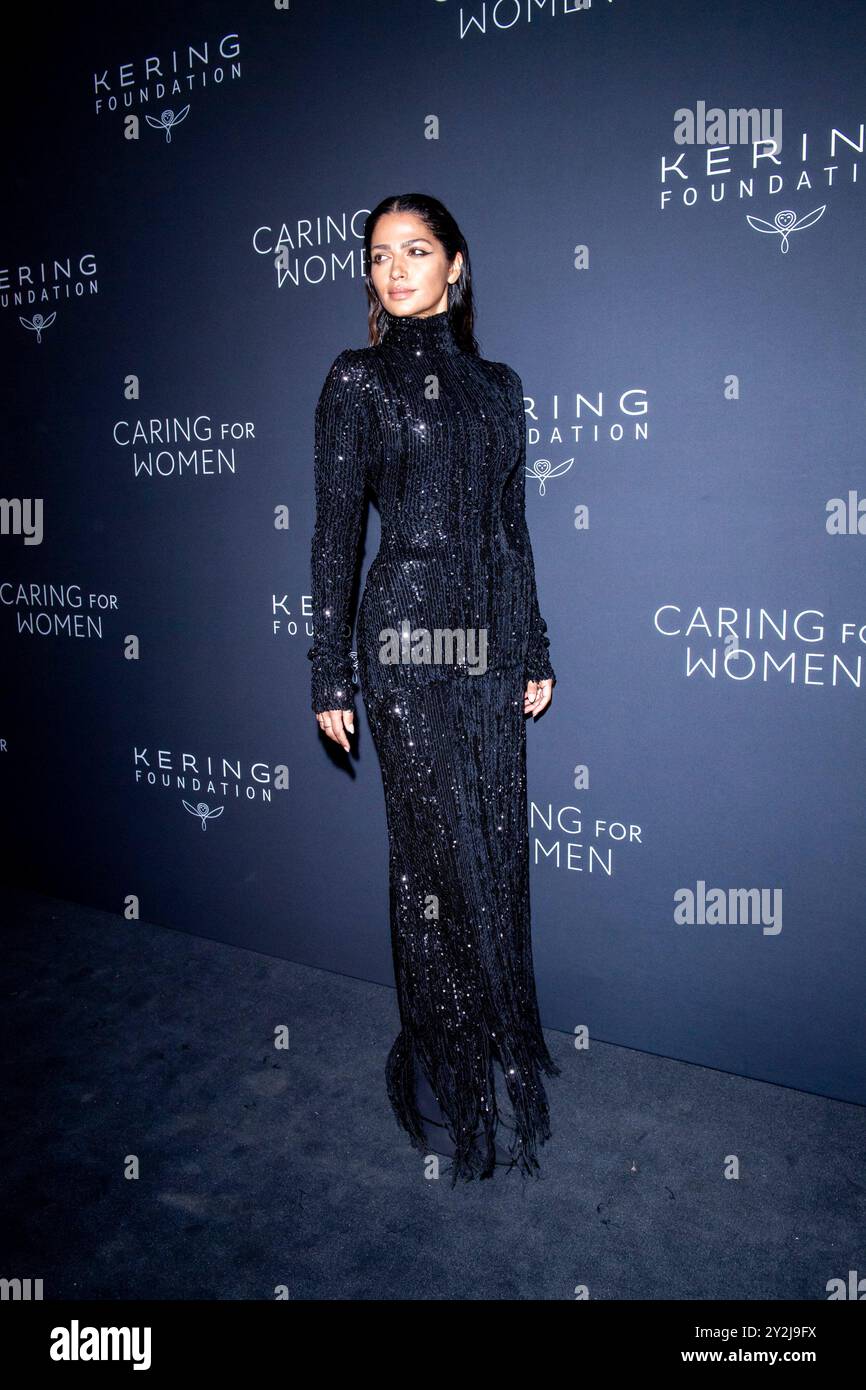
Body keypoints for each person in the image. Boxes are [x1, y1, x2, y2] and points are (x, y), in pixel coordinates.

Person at [307, 192, 560, 1184]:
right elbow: (336, 533)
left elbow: (510, 527)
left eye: (415, 250)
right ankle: (438, 1066)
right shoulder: (355, 379)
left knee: (492, 852)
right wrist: (328, 667)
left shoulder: (500, 387)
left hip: (487, 640)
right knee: (430, 868)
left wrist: (532, 647)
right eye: (378, 254)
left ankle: (489, 1036)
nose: (395, 267)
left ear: (456, 264)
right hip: (408, 640)